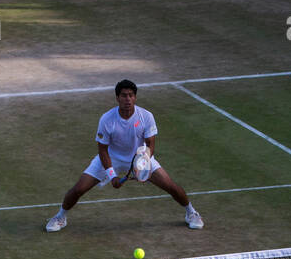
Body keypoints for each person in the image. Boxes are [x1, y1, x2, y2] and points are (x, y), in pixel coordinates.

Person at [45, 79, 203, 232]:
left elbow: (150, 145)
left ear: (135, 97)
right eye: (124, 95)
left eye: (131, 95)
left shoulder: (146, 116)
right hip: (111, 158)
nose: (127, 99)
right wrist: (112, 175)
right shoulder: (107, 119)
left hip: (141, 157)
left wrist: (142, 165)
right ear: (117, 98)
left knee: (171, 186)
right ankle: (60, 217)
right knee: (78, 189)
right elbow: (102, 150)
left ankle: (191, 213)